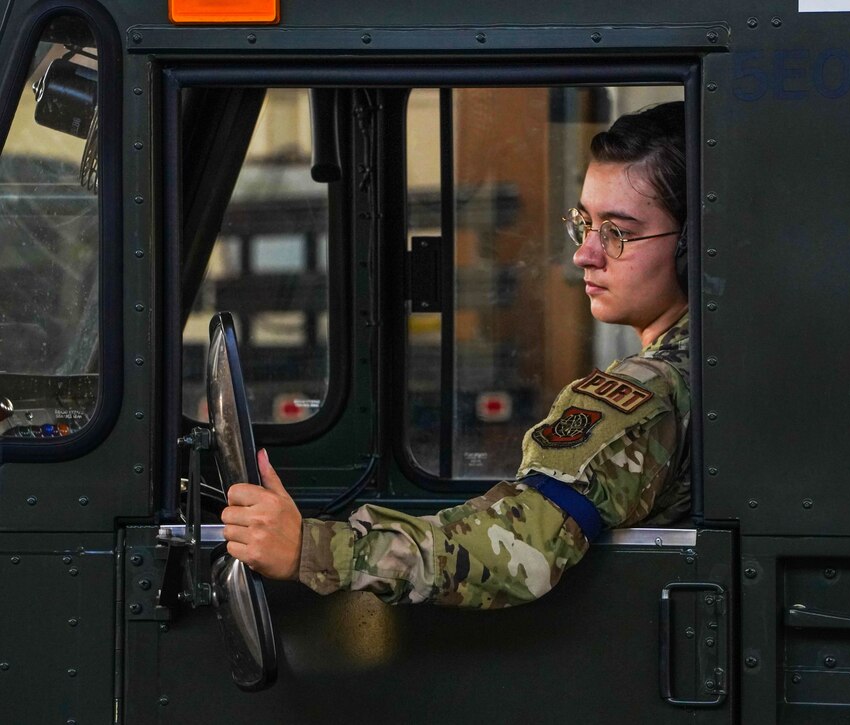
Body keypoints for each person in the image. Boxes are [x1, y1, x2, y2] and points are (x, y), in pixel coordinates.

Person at [221, 101, 691, 608]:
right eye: (584, 223)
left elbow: (517, 547)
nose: (585, 253)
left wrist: (312, 550)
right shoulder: (708, 363)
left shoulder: (646, 396)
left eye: (618, 232)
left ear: (694, 243)